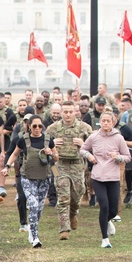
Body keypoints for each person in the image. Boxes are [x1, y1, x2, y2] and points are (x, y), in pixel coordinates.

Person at [80, 111, 130, 248]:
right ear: (100, 122)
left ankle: (107, 221)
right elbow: (83, 149)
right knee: (104, 205)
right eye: (103, 121)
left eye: (108, 121)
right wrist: (89, 156)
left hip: (113, 177)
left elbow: (127, 156)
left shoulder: (118, 138)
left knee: (113, 210)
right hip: (97, 177)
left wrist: (118, 157)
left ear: (113, 122)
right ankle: (105, 239)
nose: (106, 123)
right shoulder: (94, 136)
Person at [3, 117, 54, 248]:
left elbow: (56, 157)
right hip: (27, 177)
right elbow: (14, 154)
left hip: (44, 178)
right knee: (33, 204)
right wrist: (7, 166)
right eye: (34, 126)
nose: (37, 129)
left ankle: (32, 225)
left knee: (39, 208)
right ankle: (35, 236)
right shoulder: (23, 140)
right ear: (29, 127)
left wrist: (51, 153)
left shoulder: (48, 140)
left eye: (40, 126)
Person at [44, 100, 91, 238]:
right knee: (63, 196)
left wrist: (83, 144)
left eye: (71, 112)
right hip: (58, 166)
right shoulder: (52, 128)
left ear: (75, 112)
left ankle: (73, 213)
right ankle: (64, 229)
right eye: (65, 112)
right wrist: (51, 146)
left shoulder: (84, 128)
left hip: (77, 165)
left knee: (77, 194)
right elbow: (43, 147)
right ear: (61, 113)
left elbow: (93, 146)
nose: (68, 115)